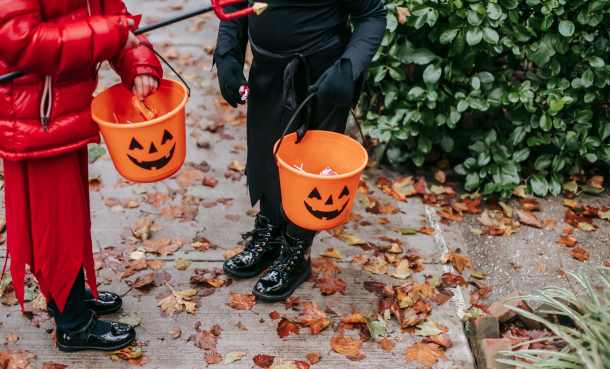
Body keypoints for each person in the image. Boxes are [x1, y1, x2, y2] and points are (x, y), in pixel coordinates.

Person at [0, 0, 162, 352]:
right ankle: (73, 324)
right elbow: (21, 42)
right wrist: (111, 35)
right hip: (36, 119)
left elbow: (116, 20)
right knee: (53, 227)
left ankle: (71, 296)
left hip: (64, 110)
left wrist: (139, 64)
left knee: (69, 221)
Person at [215, 0, 386, 301]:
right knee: (265, 154)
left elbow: (371, 15)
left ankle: (297, 249)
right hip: (267, 70)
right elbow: (233, 5)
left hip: (323, 77)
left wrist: (348, 67)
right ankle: (269, 235)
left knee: (310, 169)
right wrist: (228, 56)